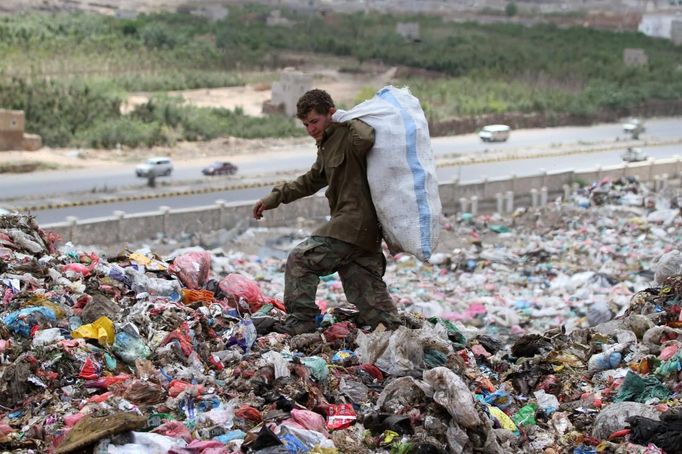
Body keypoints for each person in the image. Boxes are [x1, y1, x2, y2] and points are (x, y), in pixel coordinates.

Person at [252, 89, 401, 335]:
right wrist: (274, 198)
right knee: (376, 312)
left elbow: (366, 139)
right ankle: (400, 336)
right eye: (306, 124)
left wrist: (346, 117)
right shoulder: (327, 144)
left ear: (330, 113)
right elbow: (311, 180)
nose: (311, 129)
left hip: (354, 224)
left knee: (301, 259)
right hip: (358, 235)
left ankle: (301, 322)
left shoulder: (348, 134)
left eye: (315, 121)